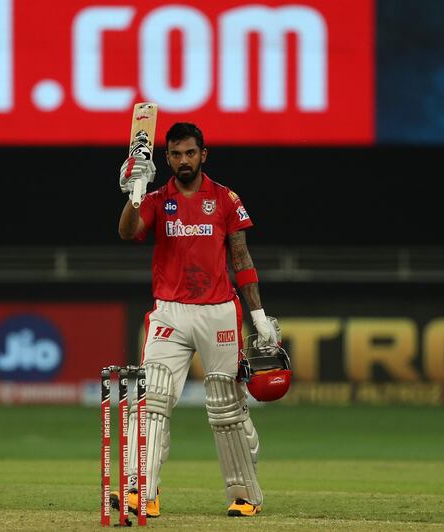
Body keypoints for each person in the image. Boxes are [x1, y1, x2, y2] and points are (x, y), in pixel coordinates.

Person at [111, 122, 278, 518]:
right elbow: (126, 232)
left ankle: (245, 495)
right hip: (169, 309)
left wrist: (258, 316)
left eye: (190, 153)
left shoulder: (224, 198)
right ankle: (141, 491)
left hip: (219, 310)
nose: (182, 160)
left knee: (226, 407)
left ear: (203, 154)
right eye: (175, 154)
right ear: (165, 157)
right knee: (150, 398)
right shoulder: (154, 198)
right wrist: (132, 193)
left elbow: (241, 258)